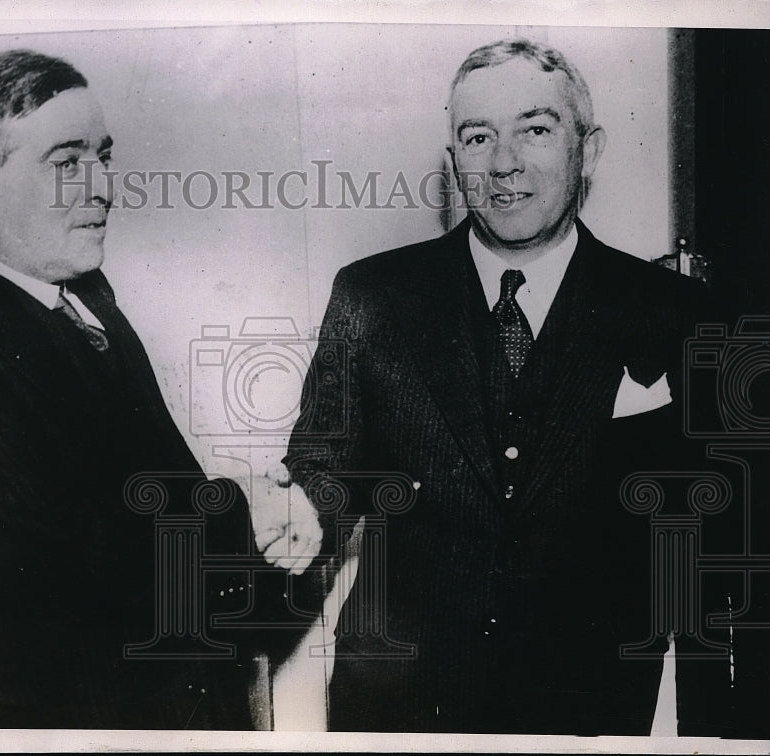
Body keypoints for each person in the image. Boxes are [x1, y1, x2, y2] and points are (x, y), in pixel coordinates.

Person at [280, 38, 723, 734]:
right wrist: (303, 510)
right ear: (454, 160)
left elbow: (713, 515)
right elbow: (325, 465)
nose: (504, 162)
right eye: (478, 136)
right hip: (400, 700)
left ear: (591, 148)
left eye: (535, 130)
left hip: (590, 703)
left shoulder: (674, 311)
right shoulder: (373, 295)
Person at [0, 49, 255, 729]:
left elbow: (151, 490)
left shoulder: (77, 294)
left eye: (103, 157)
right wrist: (245, 517)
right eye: (67, 163)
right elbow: (63, 564)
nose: (102, 187)